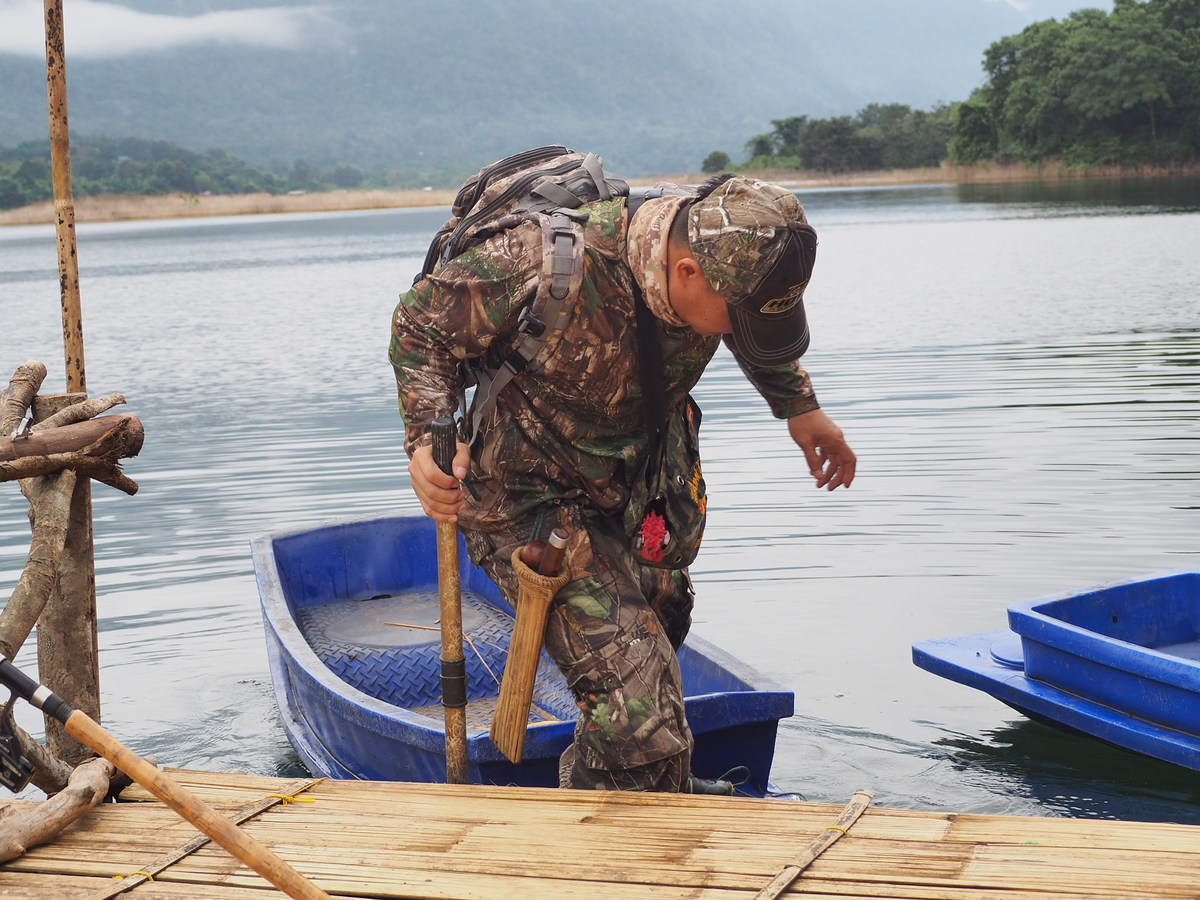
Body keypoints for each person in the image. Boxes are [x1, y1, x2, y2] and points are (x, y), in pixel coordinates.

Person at [389, 171, 856, 792]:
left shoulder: (718, 265)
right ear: (687, 270)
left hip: (640, 479)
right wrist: (427, 436)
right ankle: (625, 843)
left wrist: (799, 407)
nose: (736, 335)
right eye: (734, 319)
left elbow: (752, 325)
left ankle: (615, 784)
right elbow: (421, 326)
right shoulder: (539, 263)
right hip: (531, 497)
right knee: (638, 700)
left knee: (664, 621)